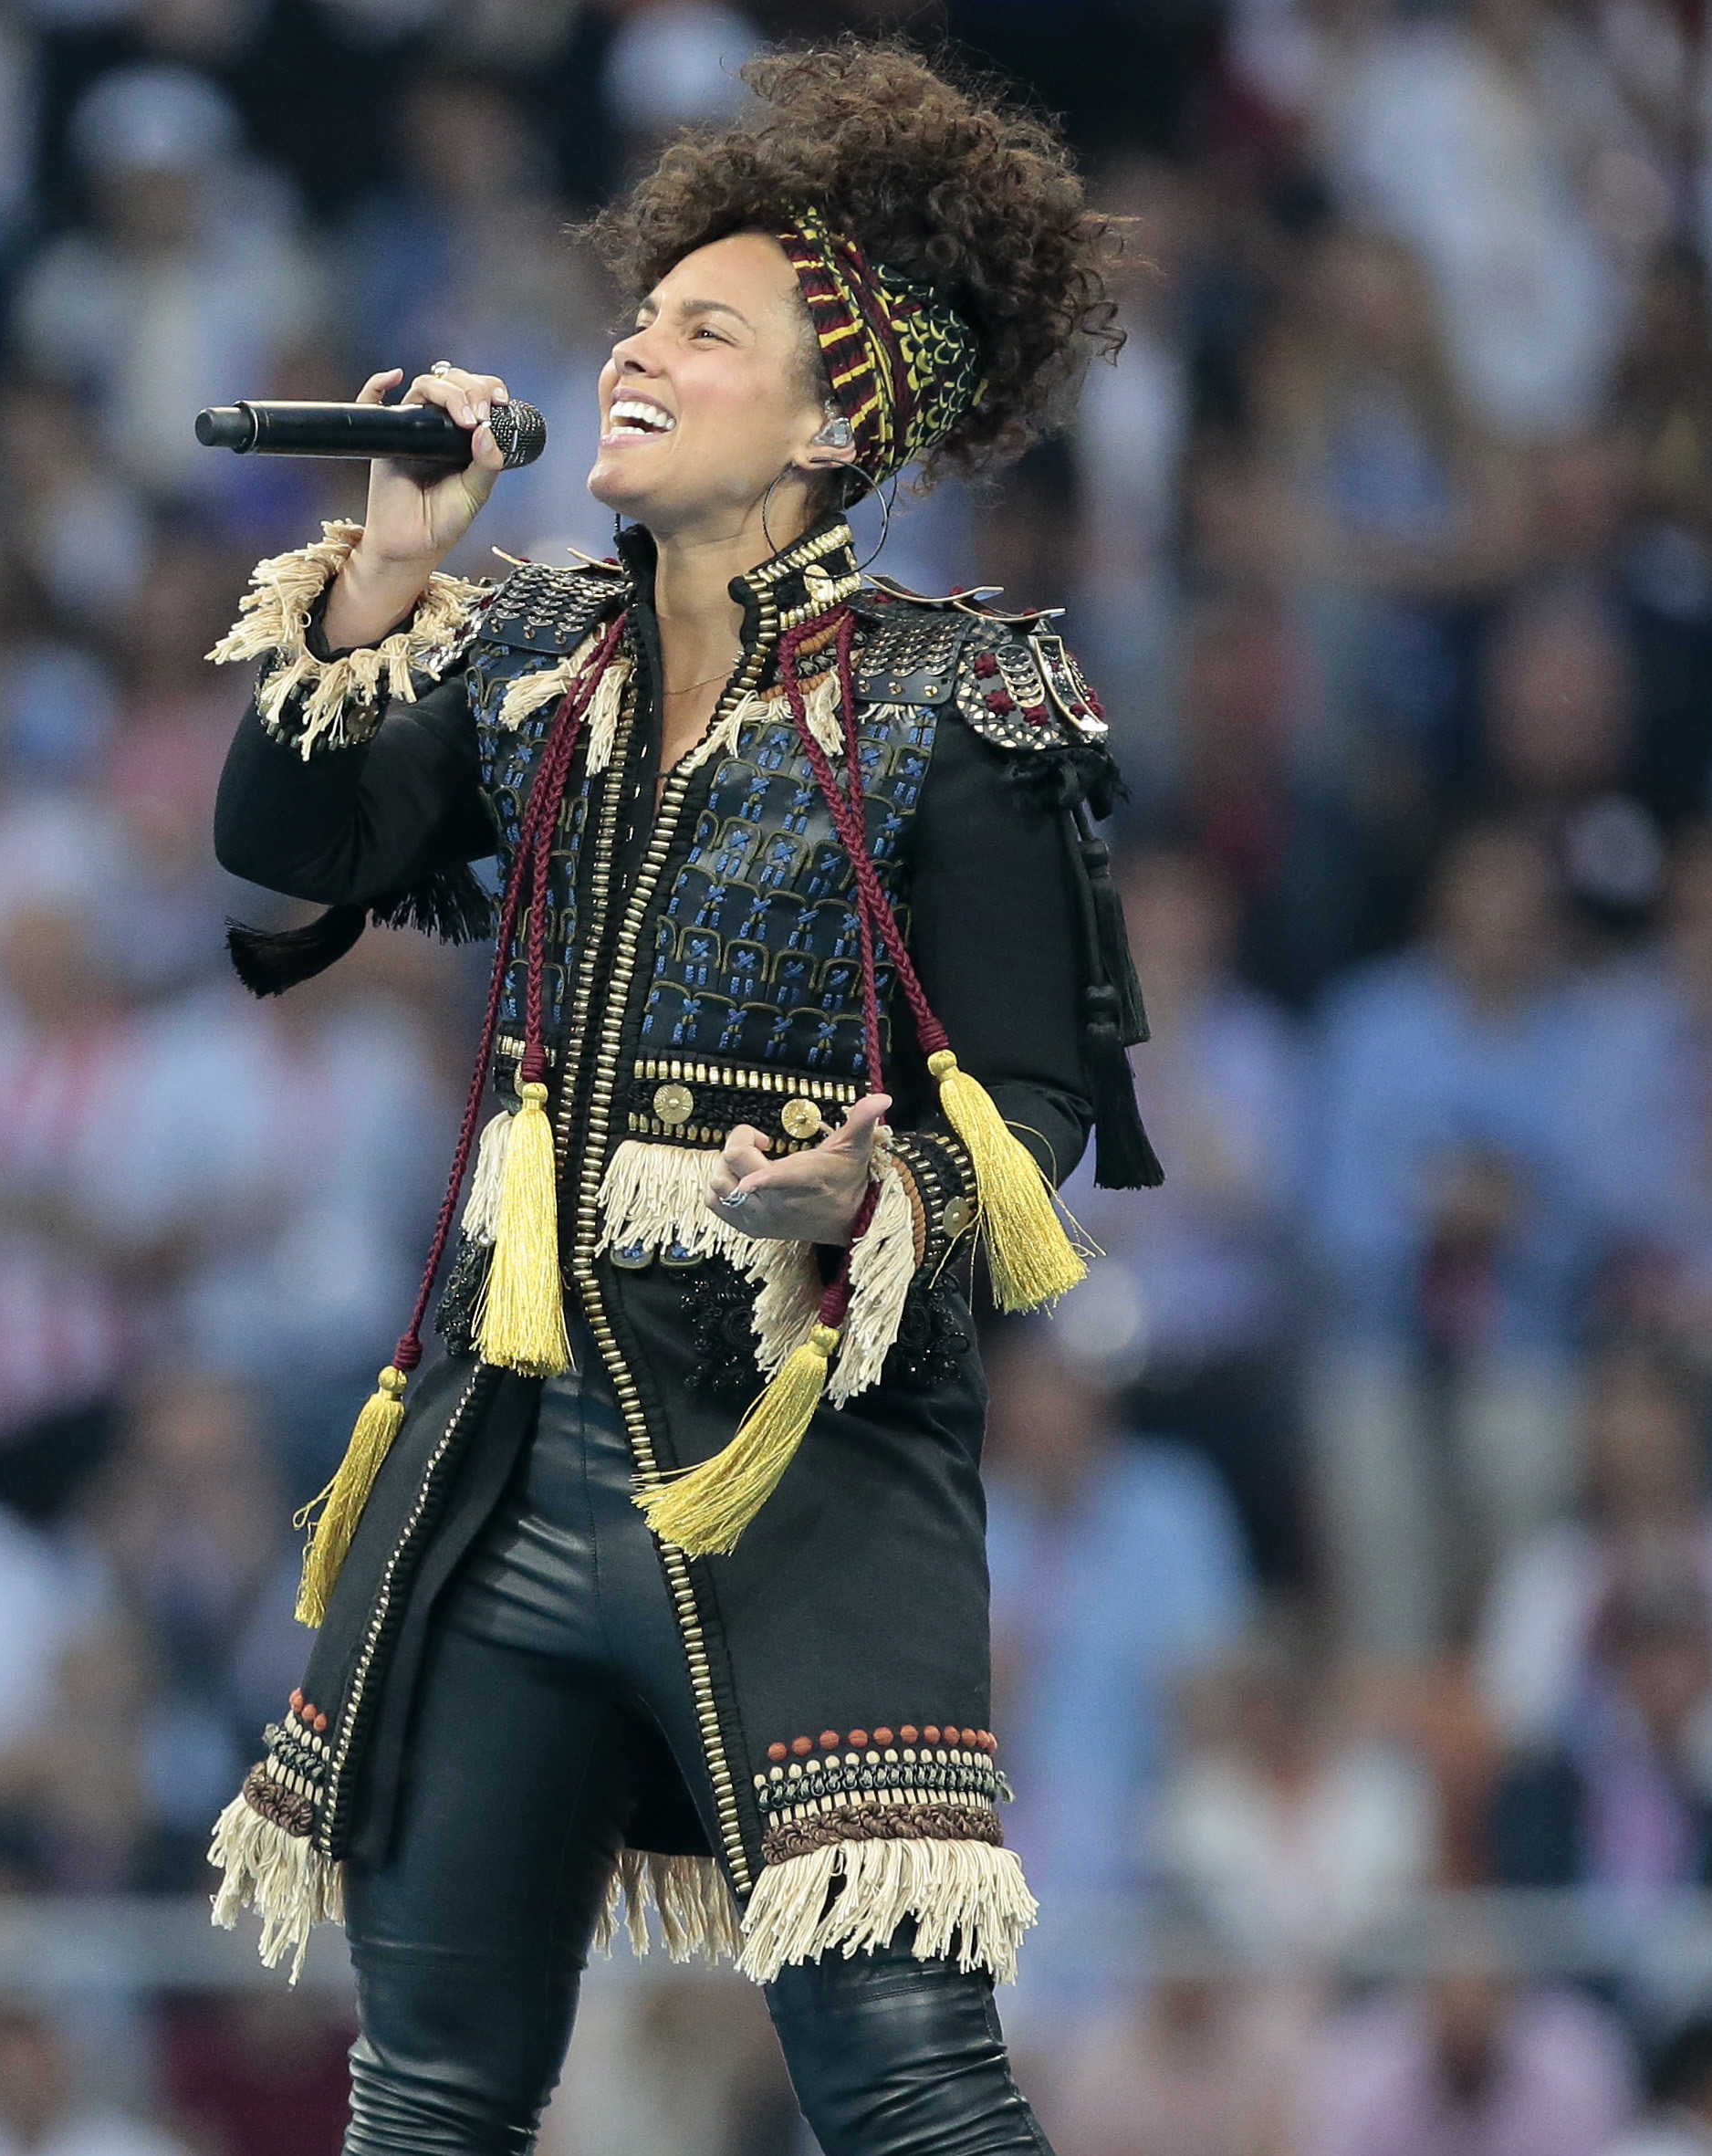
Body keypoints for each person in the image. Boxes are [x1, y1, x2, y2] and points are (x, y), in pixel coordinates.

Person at [202, 42, 1153, 2156]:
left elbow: (1035, 1092)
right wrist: (377, 574)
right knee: (424, 2099)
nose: (632, 349)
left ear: (833, 421)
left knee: (909, 2093)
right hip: (500, 1449)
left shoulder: (961, 698)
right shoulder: (519, 645)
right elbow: (283, 847)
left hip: (797, 1461)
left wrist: (868, 1179)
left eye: (698, 331)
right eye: (636, 318)